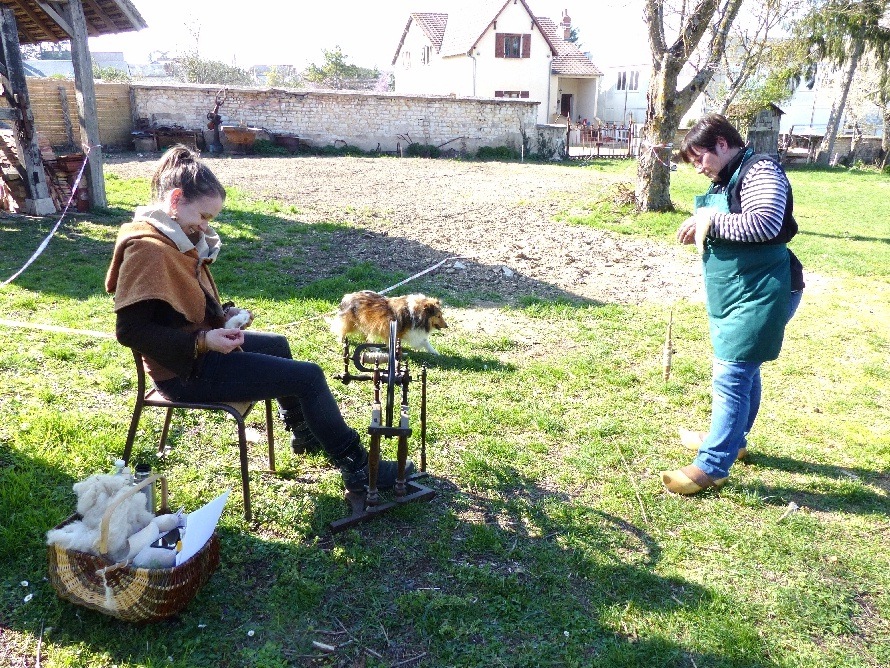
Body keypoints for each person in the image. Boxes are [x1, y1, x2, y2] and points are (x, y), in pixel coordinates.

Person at [105, 145, 412, 494]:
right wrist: (204, 341)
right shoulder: (148, 249)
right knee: (309, 377)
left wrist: (223, 318)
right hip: (183, 373)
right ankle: (358, 467)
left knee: (280, 346)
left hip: (198, 354)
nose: (205, 227)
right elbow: (131, 330)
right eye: (204, 216)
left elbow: (175, 309)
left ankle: (304, 434)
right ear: (175, 200)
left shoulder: (171, 239)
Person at [662, 114, 804, 495]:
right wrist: (702, 226)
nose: (699, 168)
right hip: (741, 290)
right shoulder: (728, 176)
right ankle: (734, 441)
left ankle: (712, 466)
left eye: (700, 159)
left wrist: (712, 222)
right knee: (745, 370)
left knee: (732, 374)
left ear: (722, 144)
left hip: (766, 290)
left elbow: (766, 224)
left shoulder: (760, 172)